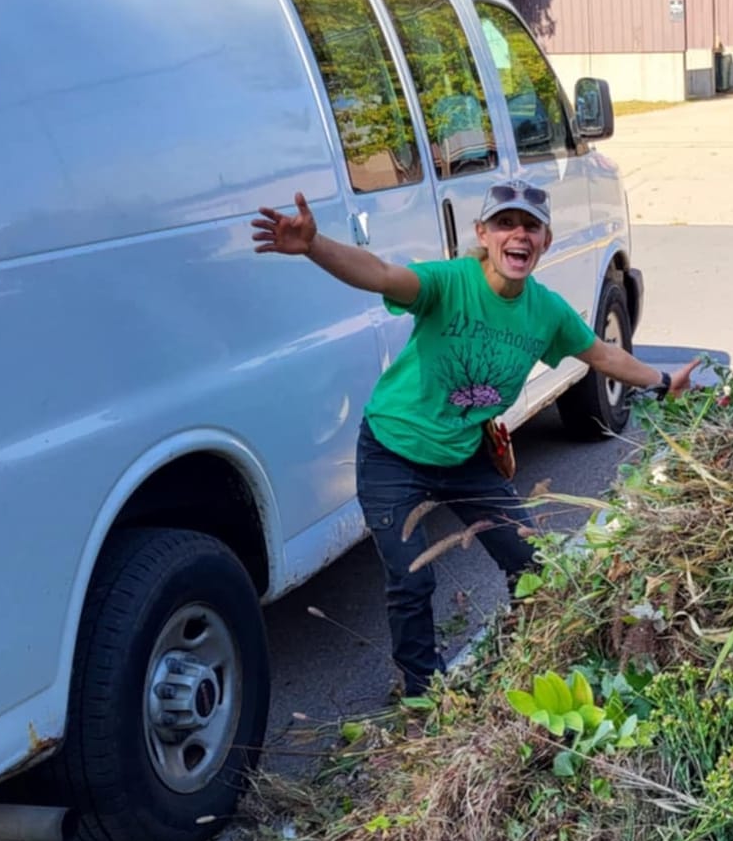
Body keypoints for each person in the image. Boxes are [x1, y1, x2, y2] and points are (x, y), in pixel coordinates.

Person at [253, 178, 695, 698]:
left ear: (546, 242)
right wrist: (314, 246)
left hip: (466, 454)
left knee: (532, 563)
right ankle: (422, 694)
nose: (520, 234)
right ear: (483, 234)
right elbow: (379, 274)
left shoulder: (545, 311)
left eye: (532, 226)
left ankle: (532, 661)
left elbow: (601, 355)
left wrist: (662, 380)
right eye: (506, 223)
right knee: (412, 580)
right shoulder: (449, 283)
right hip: (393, 452)